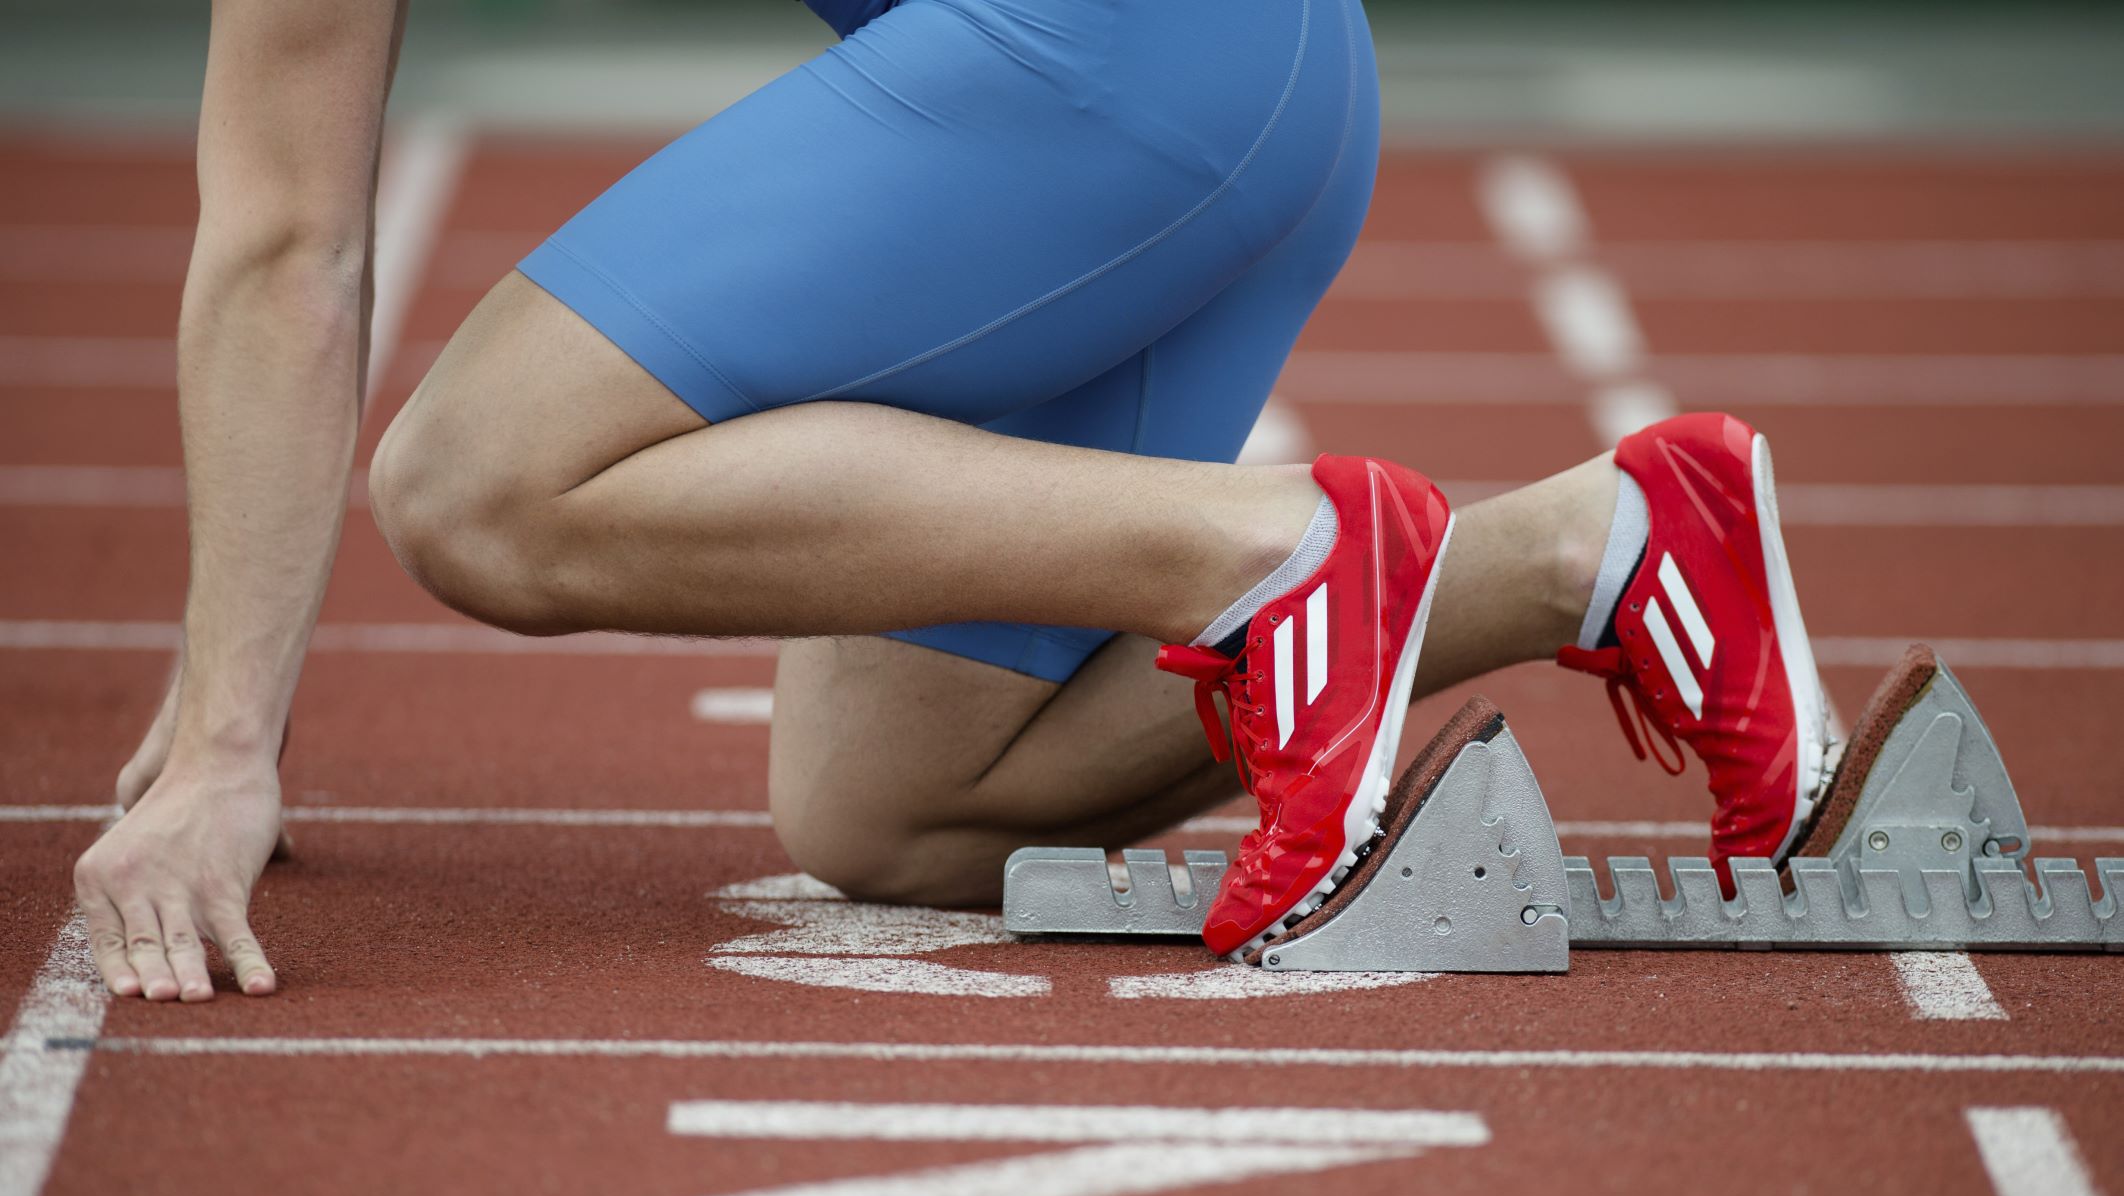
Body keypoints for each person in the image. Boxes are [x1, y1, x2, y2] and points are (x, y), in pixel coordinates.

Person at [71, 0, 1832, 999]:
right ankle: (1594, 548)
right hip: (1256, 75)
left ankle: (1282, 556)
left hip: (1122, 60)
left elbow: (289, 241)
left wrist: (233, 740)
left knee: (475, 482)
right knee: (897, 808)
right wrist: (221, 700)